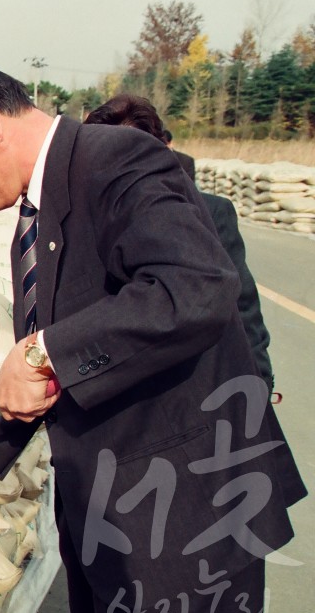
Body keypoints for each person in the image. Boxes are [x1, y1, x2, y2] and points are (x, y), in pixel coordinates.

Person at [0, 62, 306, 613]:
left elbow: (194, 286)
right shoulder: (38, 212)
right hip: (114, 518)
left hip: (188, 522)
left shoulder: (117, 162)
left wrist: (41, 350)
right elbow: (59, 370)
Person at [83, 94, 275, 391]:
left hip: (196, 386)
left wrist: (260, 384)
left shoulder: (210, 212)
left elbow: (243, 310)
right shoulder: (82, 217)